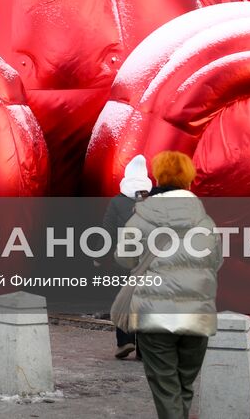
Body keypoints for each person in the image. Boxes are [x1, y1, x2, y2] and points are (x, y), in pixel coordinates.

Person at [115, 151, 221, 419]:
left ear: (158, 177)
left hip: (154, 313)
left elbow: (124, 259)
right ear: (189, 181)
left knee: (165, 385)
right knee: (184, 384)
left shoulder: (140, 217)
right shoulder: (205, 222)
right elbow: (216, 262)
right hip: (197, 313)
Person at [101, 154, 151, 360]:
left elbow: (107, 231)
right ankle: (144, 348)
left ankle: (125, 341)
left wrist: (99, 257)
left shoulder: (117, 202)